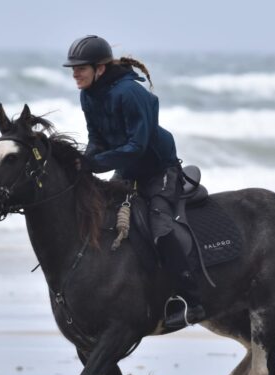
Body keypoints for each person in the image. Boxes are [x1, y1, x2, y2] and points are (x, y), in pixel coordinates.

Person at [63, 35, 206, 329]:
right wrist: (82, 166)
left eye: (80, 68)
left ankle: (193, 300)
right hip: (128, 169)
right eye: (72, 68)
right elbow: (97, 140)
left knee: (160, 229)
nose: (75, 73)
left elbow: (136, 147)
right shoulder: (88, 95)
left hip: (159, 170)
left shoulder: (129, 93)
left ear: (100, 68)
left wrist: (95, 163)